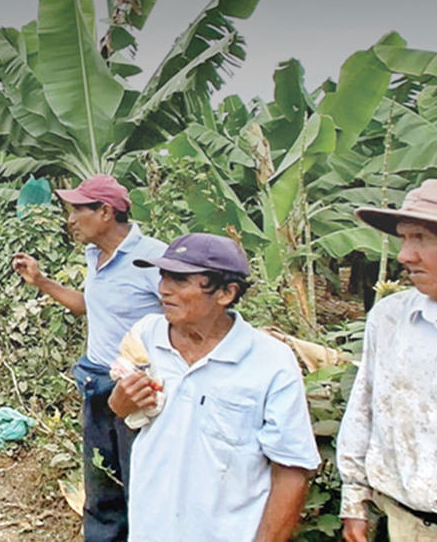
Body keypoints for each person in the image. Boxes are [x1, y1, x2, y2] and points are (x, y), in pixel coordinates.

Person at [108, 232, 320, 542]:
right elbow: (124, 412)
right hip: (150, 531)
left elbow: (291, 469)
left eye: (179, 279)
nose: (163, 289)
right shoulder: (146, 337)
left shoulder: (271, 361)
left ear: (226, 293)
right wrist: (121, 402)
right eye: (163, 275)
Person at [11, 174, 166, 542]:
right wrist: (42, 282)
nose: (70, 219)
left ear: (106, 212)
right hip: (96, 383)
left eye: (77, 210)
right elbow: (88, 308)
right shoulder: (96, 255)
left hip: (135, 390)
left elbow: (185, 317)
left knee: (139, 484)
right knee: (101, 486)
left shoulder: (152, 259)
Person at [339, 179, 437, 541]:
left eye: (420, 238)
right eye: (404, 239)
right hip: (400, 525)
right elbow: (364, 407)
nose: (405, 255)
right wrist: (354, 500)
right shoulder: (391, 318)